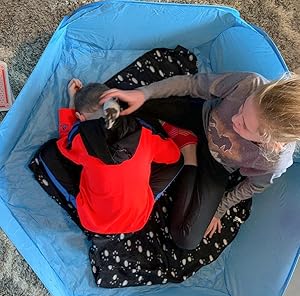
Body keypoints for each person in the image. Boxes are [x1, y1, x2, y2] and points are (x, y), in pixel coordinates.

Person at [99, 72, 300, 249]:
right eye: (242, 109)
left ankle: (189, 155)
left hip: (218, 166)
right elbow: (192, 84)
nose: (234, 119)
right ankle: (183, 138)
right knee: (128, 100)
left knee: (186, 239)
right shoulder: (249, 83)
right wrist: (144, 93)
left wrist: (220, 209)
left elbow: (252, 186)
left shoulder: (274, 161)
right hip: (201, 118)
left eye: (245, 125)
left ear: (269, 142)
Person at [40, 78, 183, 235]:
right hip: (138, 219)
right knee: (179, 161)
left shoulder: (78, 138)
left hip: (94, 223)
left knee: (48, 152)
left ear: (80, 118)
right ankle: (140, 195)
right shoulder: (145, 133)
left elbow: (64, 144)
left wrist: (72, 103)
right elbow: (174, 156)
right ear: (116, 104)